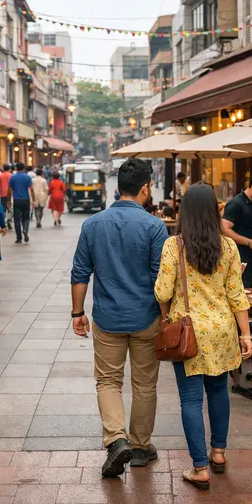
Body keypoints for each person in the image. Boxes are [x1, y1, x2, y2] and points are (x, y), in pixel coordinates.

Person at [71, 158, 168, 478]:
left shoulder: (93, 224)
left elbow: (80, 273)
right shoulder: (155, 226)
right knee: (144, 383)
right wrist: (165, 318)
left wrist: (77, 312)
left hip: (108, 317)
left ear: (117, 188)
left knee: (108, 381)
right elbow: (161, 279)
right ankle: (140, 446)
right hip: (146, 317)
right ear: (144, 188)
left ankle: (116, 439)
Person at [154, 183, 252, 491]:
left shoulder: (175, 246)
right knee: (219, 391)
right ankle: (219, 453)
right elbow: (237, 295)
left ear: (185, 211)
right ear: (214, 210)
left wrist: (166, 313)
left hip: (189, 332)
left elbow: (162, 291)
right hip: (223, 330)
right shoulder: (229, 247)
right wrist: (246, 334)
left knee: (191, 399)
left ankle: (200, 468)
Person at [10, 162, 35, 243]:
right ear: (24, 168)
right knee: (26, 218)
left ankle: (19, 237)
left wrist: (7, 200)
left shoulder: (13, 177)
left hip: (16, 200)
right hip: (25, 200)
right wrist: (33, 200)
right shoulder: (27, 177)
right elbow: (31, 190)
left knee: (17, 219)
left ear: (16, 168)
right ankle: (25, 229)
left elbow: (9, 190)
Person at [0, 163, 13, 230]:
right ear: (9, 168)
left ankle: (3, 222)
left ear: (3, 168)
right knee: (10, 207)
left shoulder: (0, 176)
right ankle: (9, 219)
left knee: (3, 208)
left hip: (3, 194)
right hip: (10, 194)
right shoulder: (11, 175)